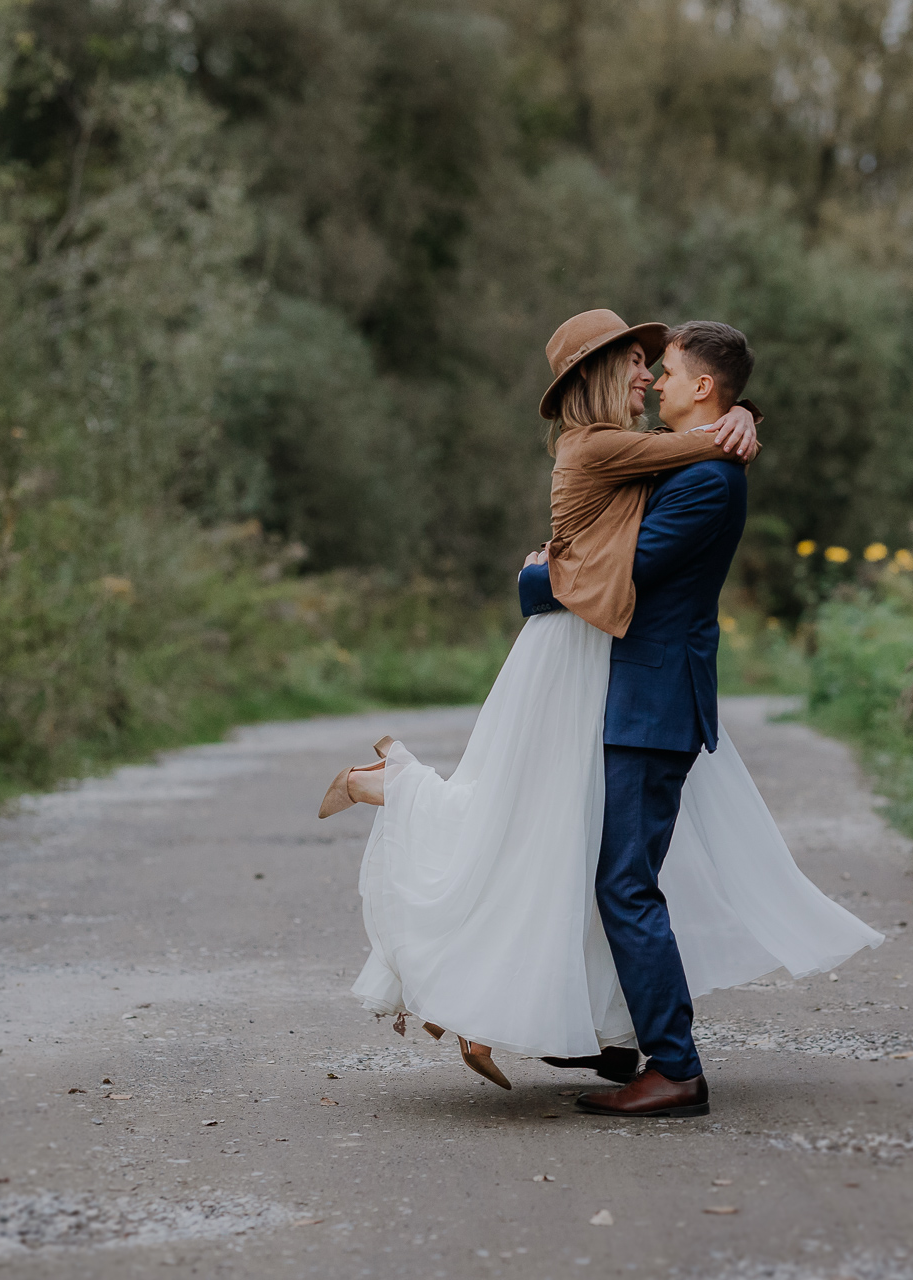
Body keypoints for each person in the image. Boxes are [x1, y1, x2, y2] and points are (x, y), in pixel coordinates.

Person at [319, 309, 883, 1111]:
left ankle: (675, 1068)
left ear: (703, 387)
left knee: (621, 883)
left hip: (652, 701)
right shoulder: (659, 459)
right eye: (639, 365)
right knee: (606, 872)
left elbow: (620, 571)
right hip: (625, 694)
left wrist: (533, 578)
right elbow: (606, 538)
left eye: (665, 365)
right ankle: (623, 1045)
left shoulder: (709, 479)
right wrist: (740, 420)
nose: (652, 377)